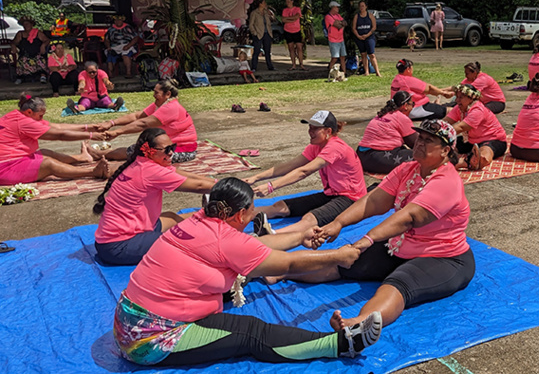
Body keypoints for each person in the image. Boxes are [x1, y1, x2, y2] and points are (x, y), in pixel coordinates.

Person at [113, 177, 382, 367]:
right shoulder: (225, 240)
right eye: (253, 211)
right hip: (148, 341)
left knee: (236, 291)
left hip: (130, 322)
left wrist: (300, 236)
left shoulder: (200, 221)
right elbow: (287, 265)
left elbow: (251, 245)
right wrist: (339, 256)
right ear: (240, 214)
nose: (254, 216)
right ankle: (343, 344)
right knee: (252, 333)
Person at [282, 119, 475, 332]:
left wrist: (367, 240)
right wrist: (338, 223)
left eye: (428, 141)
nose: (419, 143)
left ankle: (357, 326)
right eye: (419, 137)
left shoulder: (446, 181)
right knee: (343, 262)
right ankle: (275, 270)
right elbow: (373, 201)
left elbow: (409, 217)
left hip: (443, 257)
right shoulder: (408, 169)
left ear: (445, 151)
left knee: (398, 283)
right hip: (399, 246)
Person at [93, 128, 216, 265]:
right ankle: (211, 220)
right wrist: (234, 189)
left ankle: (210, 213)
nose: (171, 153)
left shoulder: (145, 163)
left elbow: (184, 175)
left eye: (173, 147)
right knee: (184, 241)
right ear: (149, 151)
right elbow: (198, 186)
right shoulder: (150, 171)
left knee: (172, 217)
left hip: (123, 235)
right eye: (167, 149)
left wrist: (221, 183)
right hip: (117, 247)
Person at [245, 110, 367, 235]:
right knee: (280, 206)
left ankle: (272, 234)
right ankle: (238, 215)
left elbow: (304, 171)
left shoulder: (335, 147)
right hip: (331, 194)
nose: (310, 132)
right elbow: (291, 165)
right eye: (310, 128)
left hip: (351, 199)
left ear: (328, 131)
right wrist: (255, 178)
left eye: (315, 129)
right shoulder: (316, 146)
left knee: (310, 218)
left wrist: (271, 186)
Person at [0, 93, 109, 185]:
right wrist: (90, 135)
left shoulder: (17, 115)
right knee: (48, 164)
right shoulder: (24, 122)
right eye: (40, 116)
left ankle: (82, 158)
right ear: (29, 112)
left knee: (45, 153)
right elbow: (59, 135)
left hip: (15, 160)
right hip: (5, 168)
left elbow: (58, 127)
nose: (42, 119)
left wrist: (88, 127)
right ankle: (92, 172)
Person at [90, 79, 198, 163]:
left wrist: (117, 132)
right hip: (171, 146)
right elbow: (138, 116)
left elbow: (143, 123)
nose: (153, 95)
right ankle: (97, 154)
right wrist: (111, 123)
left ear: (168, 94)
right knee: (136, 150)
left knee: (139, 155)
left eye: (156, 93)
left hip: (182, 149)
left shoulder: (171, 108)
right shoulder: (161, 104)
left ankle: (97, 155)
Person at [444, 84, 508, 170]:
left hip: (494, 140)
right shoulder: (459, 108)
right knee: (446, 144)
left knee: (484, 153)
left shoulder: (477, 110)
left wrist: (440, 132)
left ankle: (468, 162)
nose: (457, 100)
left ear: (471, 98)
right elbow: (445, 122)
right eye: (457, 97)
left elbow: (461, 128)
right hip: (471, 141)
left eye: (461, 97)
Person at [357, 91, 417, 174]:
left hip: (362, 156)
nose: (413, 107)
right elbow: (415, 144)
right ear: (405, 106)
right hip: (378, 158)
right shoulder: (401, 117)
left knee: (403, 151)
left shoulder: (382, 114)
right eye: (412, 104)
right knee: (421, 156)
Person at [11, 15, 49, 84]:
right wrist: (13, 46)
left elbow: (47, 40)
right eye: (24, 24)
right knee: (22, 60)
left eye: (27, 24)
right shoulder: (20, 34)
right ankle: (20, 77)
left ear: (31, 25)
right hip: (25, 54)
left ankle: (43, 76)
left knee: (40, 59)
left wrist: (43, 45)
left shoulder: (38, 33)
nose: (26, 26)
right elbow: (14, 42)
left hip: (37, 54)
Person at [352, 1, 381, 77]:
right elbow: (354, 28)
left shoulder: (370, 15)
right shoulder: (357, 16)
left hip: (369, 37)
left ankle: (377, 72)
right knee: (363, 54)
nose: (361, 8)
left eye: (363, 6)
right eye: (360, 6)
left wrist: (367, 35)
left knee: (371, 54)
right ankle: (366, 71)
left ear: (366, 7)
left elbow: (374, 27)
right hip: (360, 38)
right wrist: (358, 36)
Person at [248, 0, 276, 71]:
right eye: (264, 3)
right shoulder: (254, 13)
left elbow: (272, 20)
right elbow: (251, 24)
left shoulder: (266, 12)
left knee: (267, 51)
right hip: (259, 33)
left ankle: (270, 66)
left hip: (267, 33)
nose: (265, 4)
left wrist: (271, 14)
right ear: (260, 4)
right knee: (256, 51)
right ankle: (254, 67)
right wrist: (254, 33)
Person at [282, 0, 305, 71]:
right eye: (286, 2)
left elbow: (296, 17)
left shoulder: (297, 9)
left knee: (299, 48)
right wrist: (292, 19)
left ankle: (301, 64)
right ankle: (293, 64)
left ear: (292, 1)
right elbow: (283, 20)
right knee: (291, 48)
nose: (287, 3)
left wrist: (288, 19)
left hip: (296, 30)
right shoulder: (285, 10)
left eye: (289, 1)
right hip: (288, 31)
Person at [325, 1, 347, 73]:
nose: (338, 9)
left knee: (342, 57)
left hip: (341, 39)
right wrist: (340, 23)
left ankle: (344, 72)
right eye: (337, 7)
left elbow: (345, 23)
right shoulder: (328, 17)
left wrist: (339, 22)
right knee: (335, 57)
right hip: (333, 40)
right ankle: (330, 71)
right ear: (333, 7)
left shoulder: (338, 15)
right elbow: (337, 25)